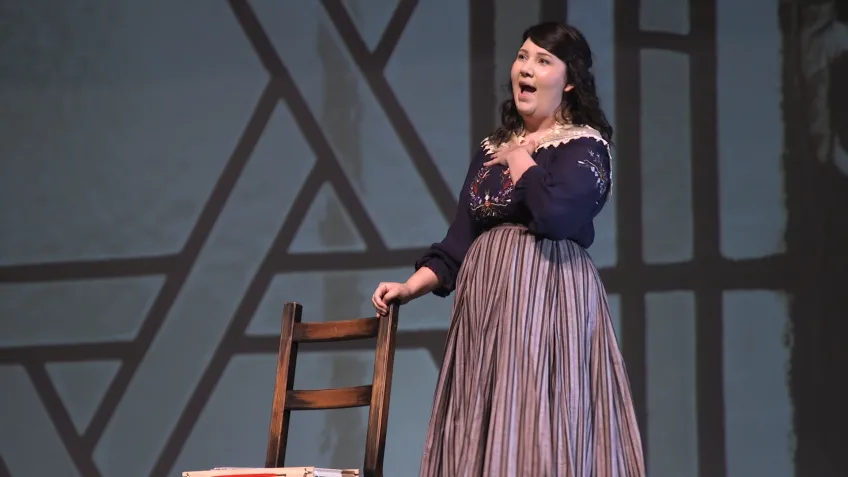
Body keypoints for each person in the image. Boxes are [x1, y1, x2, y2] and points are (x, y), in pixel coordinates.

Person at [372, 21, 646, 476]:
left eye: (543, 60)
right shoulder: (492, 149)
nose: (527, 68)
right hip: (487, 308)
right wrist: (410, 286)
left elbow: (556, 216)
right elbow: (461, 237)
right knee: (484, 421)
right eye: (523, 57)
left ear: (570, 80)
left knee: (539, 419)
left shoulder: (584, 147)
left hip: (547, 301)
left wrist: (523, 161)